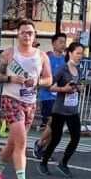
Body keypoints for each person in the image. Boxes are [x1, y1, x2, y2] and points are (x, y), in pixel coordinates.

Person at [0, 19, 53, 179]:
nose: (27, 35)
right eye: (23, 32)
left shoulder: (41, 56)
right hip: (11, 99)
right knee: (22, 142)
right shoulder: (9, 53)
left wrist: (38, 82)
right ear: (18, 35)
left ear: (34, 36)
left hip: (29, 102)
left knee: (13, 142)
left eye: (30, 33)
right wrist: (10, 79)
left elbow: (49, 79)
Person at [39, 41, 86, 177]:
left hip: (73, 110)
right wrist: (63, 89)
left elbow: (80, 85)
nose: (80, 56)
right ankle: (43, 163)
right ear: (70, 53)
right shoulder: (63, 69)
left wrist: (80, 88)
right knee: (56, 138)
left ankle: (63, 163)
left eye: (81, 54)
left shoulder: (79, 70)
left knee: (76, 137)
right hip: (59, 109)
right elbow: (49, 85)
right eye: (77, 53)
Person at [34, 32, 67, 160]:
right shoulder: (47, 58)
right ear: (54, 43)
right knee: (54, 123)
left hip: (62, 96)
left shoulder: (66, 60)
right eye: (60, 42)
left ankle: (44, 148)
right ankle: (40, 143)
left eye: (64, 42)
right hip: (48, 96)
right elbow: (40, 75)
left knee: (58, 127)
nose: (63, 45)